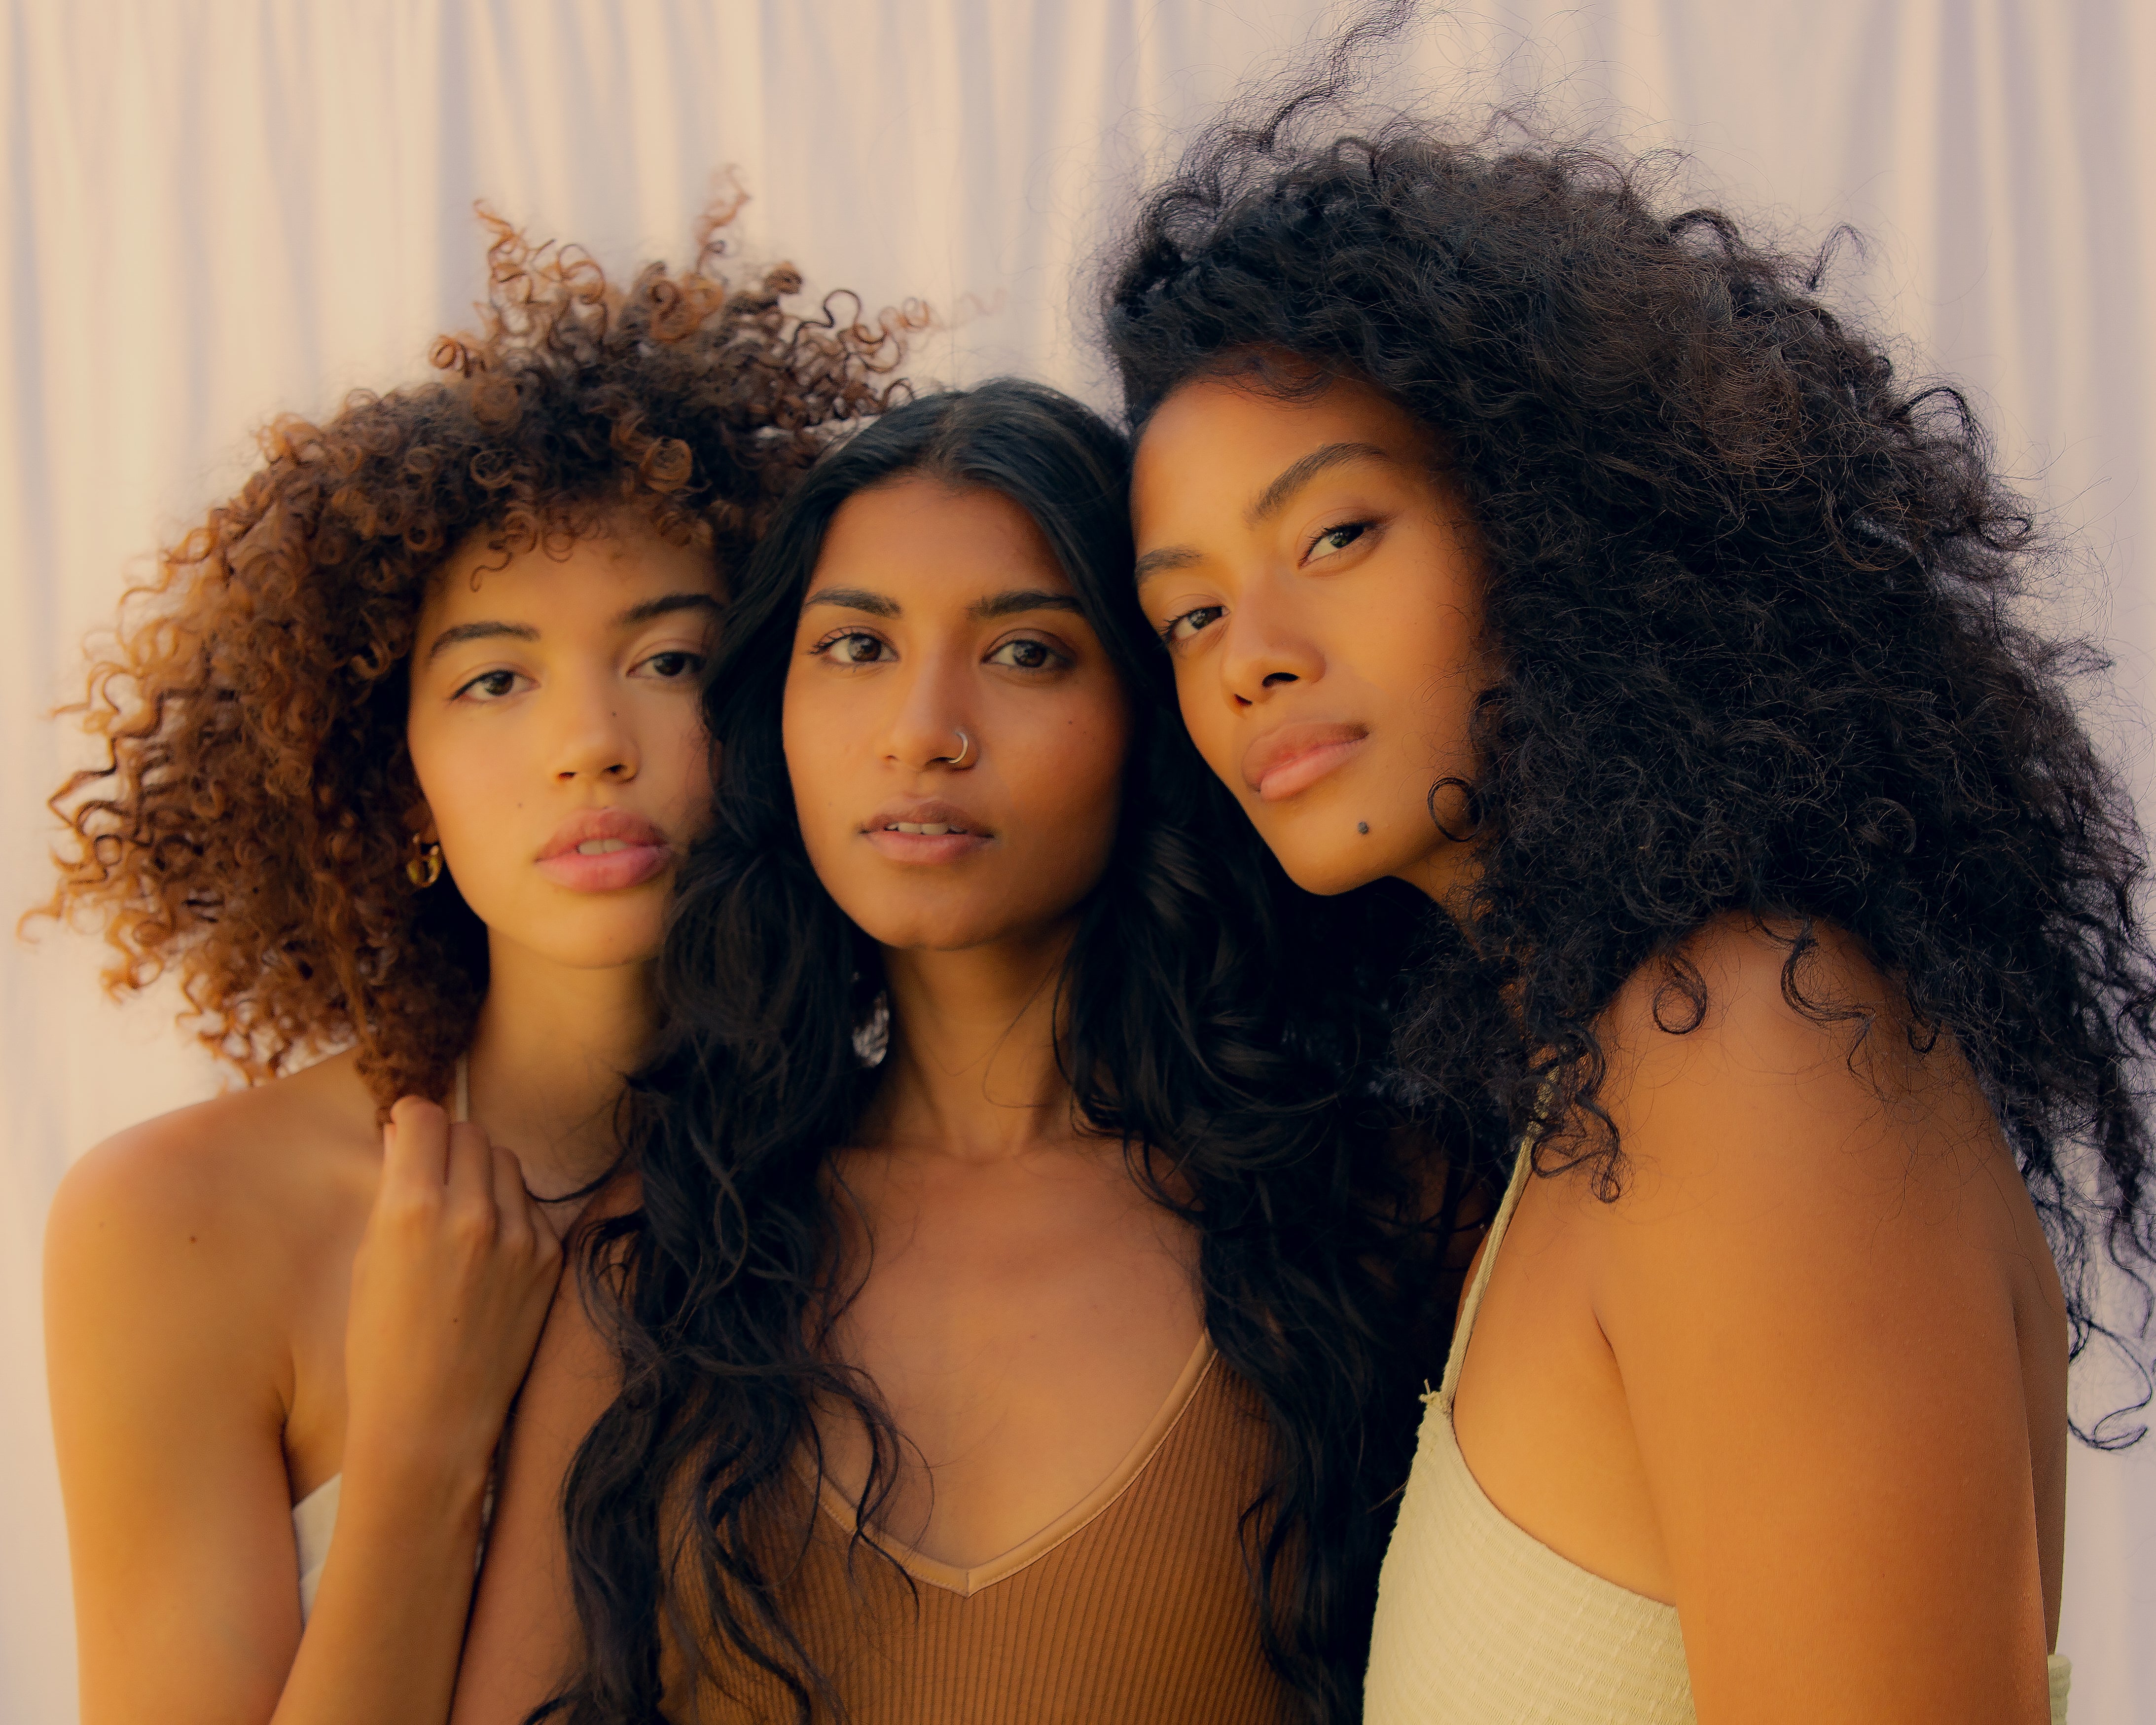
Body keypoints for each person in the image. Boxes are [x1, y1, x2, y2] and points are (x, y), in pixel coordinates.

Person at [1106, 100, 2156, 1725]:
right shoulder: (1599, 1088)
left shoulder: (1754, 1044)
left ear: (1558, 517)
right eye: (1186, 612)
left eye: (1335, 533)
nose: (1249, 652)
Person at [449, 379, 1459, 1725]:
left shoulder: (1383, 1213)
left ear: (1149, 717)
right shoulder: (663, 1251)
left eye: (1027, 651)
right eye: (856, 647)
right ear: (778, 720)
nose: (922, 727)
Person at [37, 212, 901, 1725]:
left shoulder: (891, 1183)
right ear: (399, 778)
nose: (588, 741)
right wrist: (427, 1441)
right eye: (495, 678)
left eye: (671, 660)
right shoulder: (176, 1225)